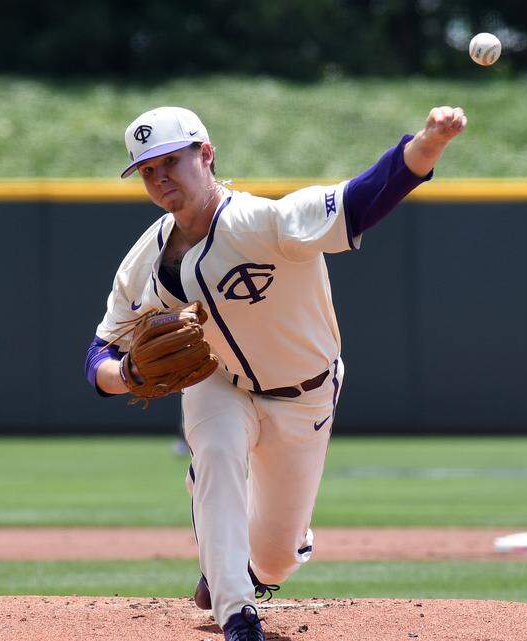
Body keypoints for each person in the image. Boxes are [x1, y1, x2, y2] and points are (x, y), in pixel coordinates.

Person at [84, 105, 466, 640]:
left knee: (277, 556)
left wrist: (428, 143)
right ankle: (237, 612)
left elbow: (363, 198)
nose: (160, 177)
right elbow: (97, 355)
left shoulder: (266, 222)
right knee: (215, 453)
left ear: (207, 155)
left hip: (305, 395)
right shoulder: (143, 262)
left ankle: (245, 571)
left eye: (171, 160)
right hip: (218, 385)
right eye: (147, 169)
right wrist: (125, 375)